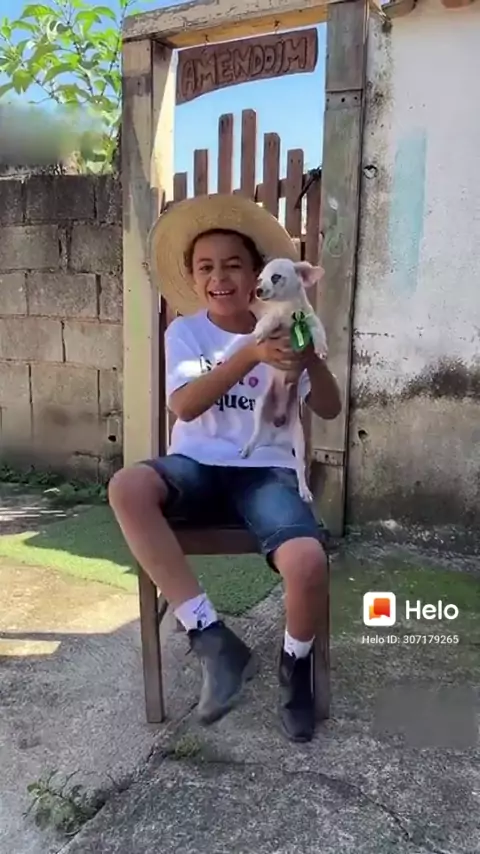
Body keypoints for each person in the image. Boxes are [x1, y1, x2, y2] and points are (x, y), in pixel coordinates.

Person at [109, 194, 341, 743]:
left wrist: (310, 358)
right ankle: (211, 637)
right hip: (196, 467)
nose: (220, 277)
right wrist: (250, 355)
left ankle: (295, 669)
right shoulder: (186, 333)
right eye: (206, 267)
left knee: (308, 561)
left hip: (266, 472)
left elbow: (329, 408)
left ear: (257, 275)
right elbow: (185, 406)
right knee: (128, 486)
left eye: (233, 265)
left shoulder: (288, 325)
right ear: (193, 278)